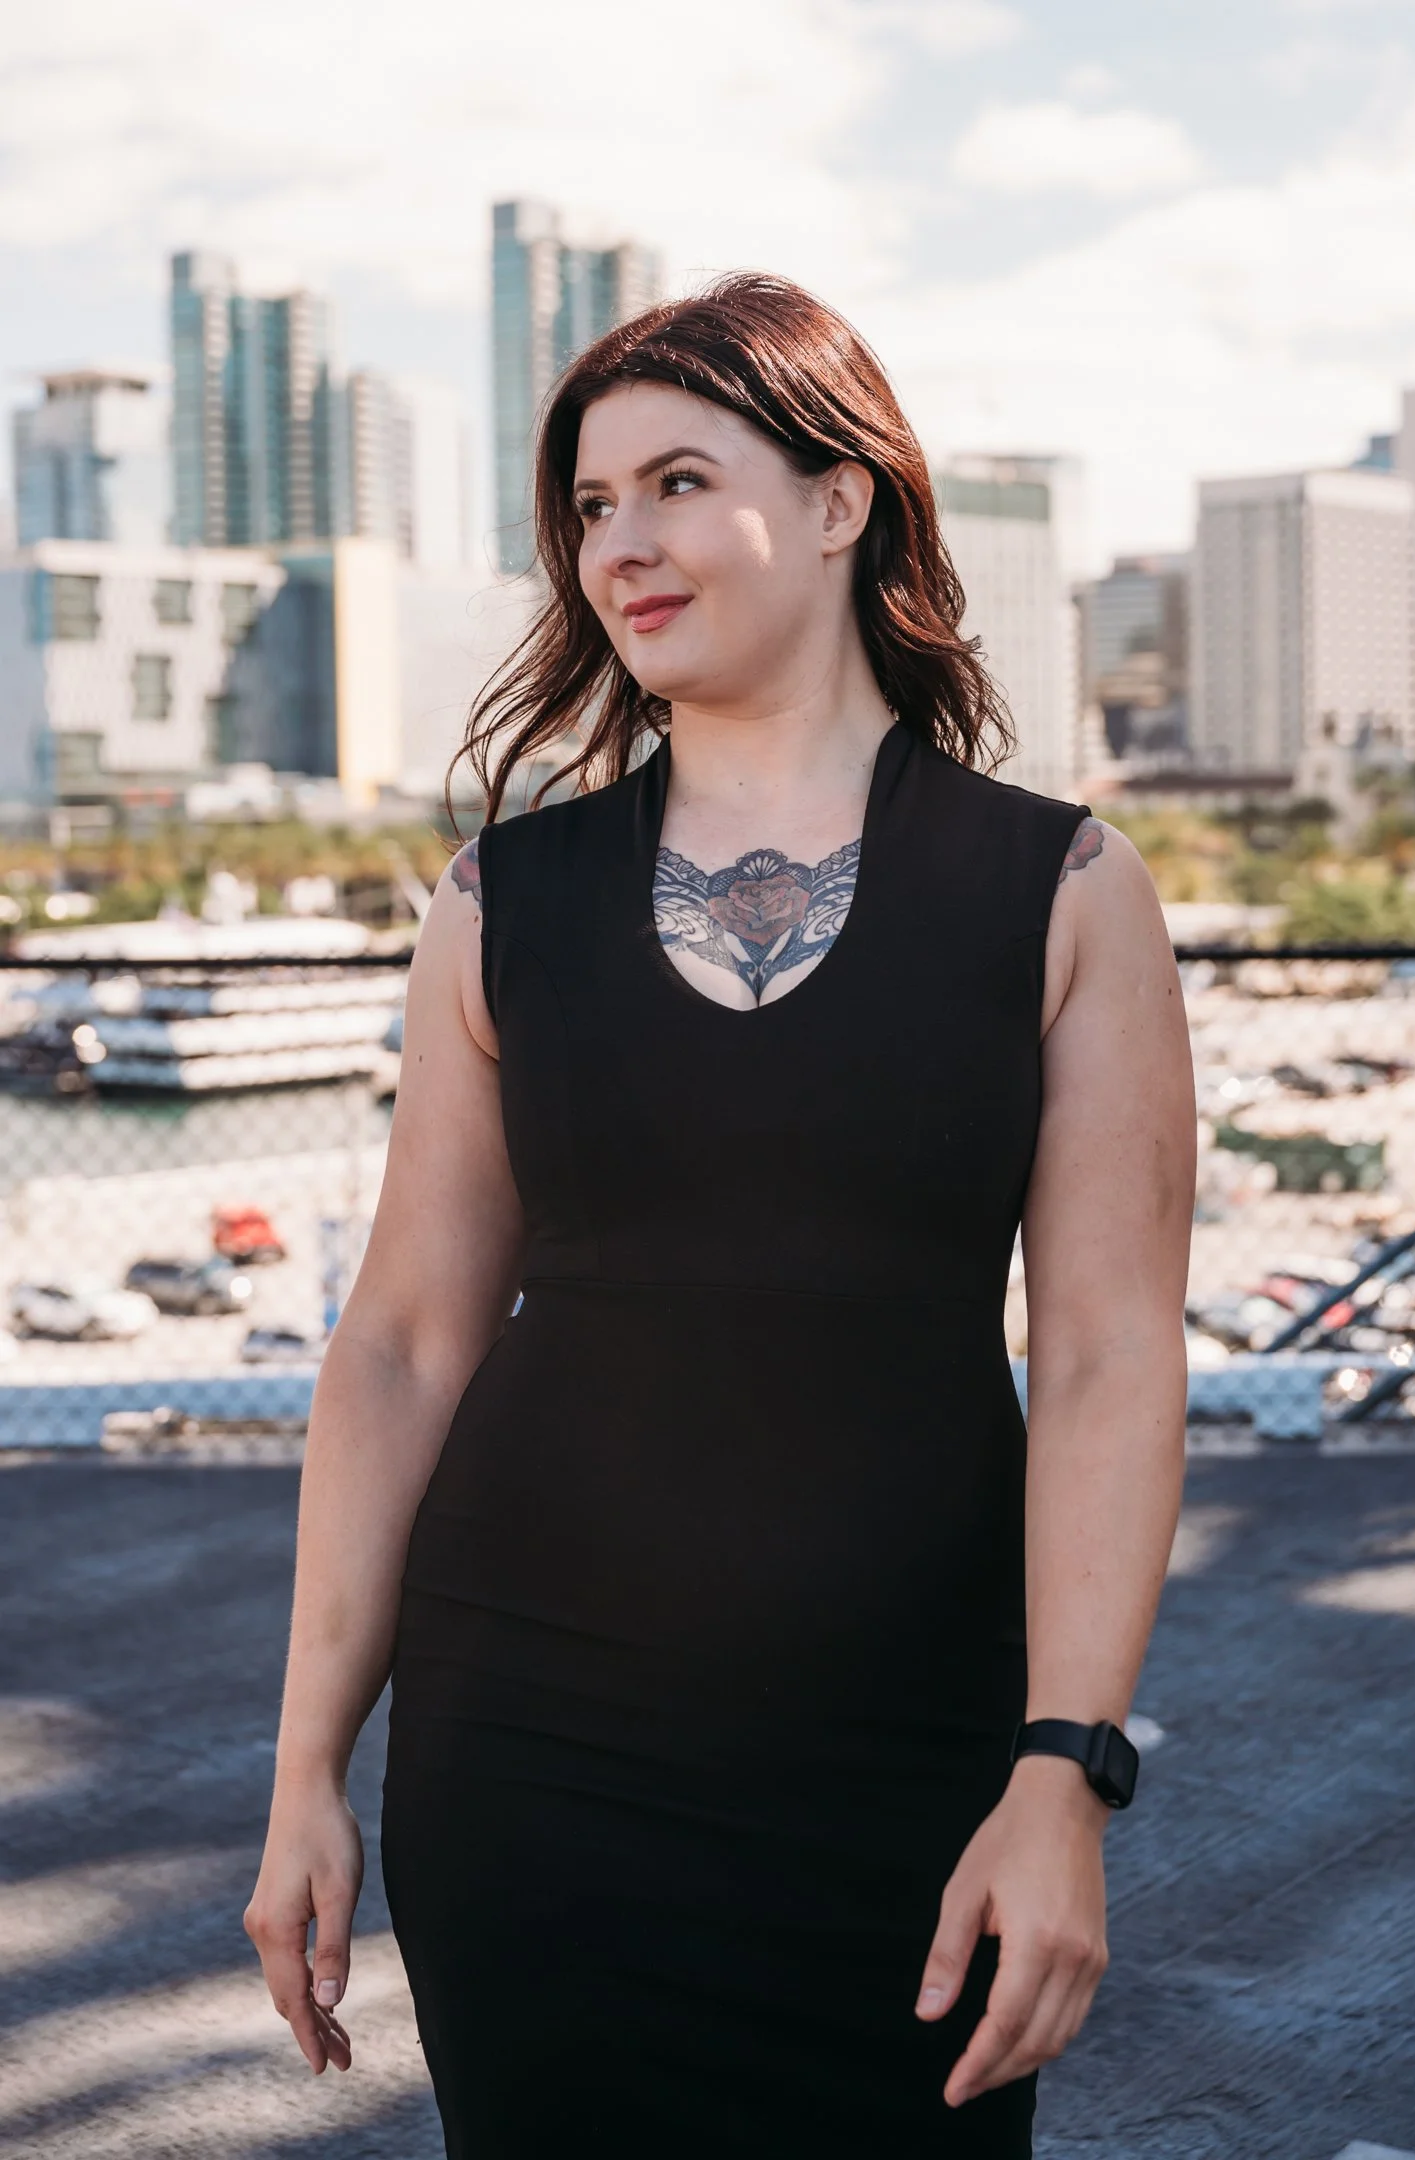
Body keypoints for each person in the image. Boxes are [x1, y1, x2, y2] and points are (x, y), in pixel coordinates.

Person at [245, 274, 1196, 2157]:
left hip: (904, 1761)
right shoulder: (498, 902)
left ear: (842, 501)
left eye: (678, 482)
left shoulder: (1066, 889)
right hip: (530, 1750)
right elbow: (405, 1345)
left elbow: (1105, 1355)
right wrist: (302, 1776)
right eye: (591, 509)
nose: (622, 546)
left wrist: (1064, 1769)